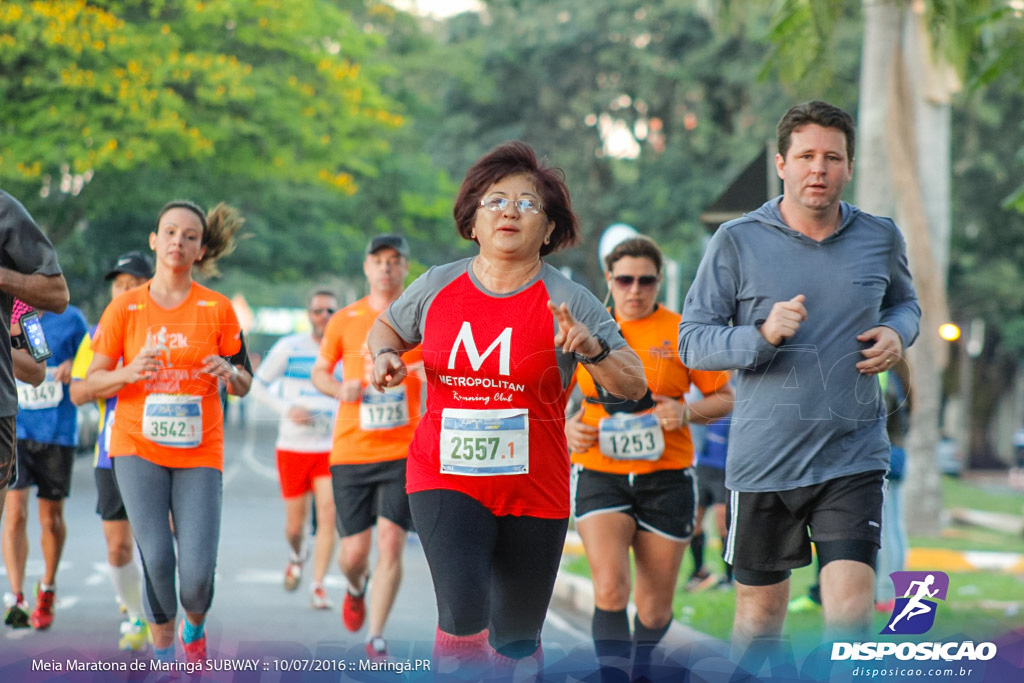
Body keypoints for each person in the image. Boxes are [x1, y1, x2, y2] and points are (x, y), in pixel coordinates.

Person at [367, 141, 646, 678]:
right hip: (444, 476)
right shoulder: (436, 285)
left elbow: (633, 384)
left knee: (516, 641)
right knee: (462, 619)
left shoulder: (572, 299)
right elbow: (388, 328)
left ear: (549, 230)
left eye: (527, 203)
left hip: (534, 488)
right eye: (495, 201)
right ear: (473, 221)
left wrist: (591, 349)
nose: (510, 211)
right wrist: (383, 355)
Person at [678, 101, 921, 665]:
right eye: (807, 156)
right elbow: (693, 339)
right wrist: (760, 335)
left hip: (853, 454)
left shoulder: (880, 238)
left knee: (851, 613)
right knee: (761, 619)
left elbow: (907, 304)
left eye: (832, 157)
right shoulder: (737, 241)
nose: (819, 169)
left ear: (849, 167)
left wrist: (895, 333)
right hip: (764, 461)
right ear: (782, 163)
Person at [85, 200, 251, 665]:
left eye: (190, 236)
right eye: (170, 232)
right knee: (157, 558)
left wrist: (230, 375)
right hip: (137, 446)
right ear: (155, 241)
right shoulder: (125, 307)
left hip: (200, 450)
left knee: (196, 575)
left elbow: (244, 382)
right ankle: (164, 655)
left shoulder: (218, 309)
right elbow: (89, 382)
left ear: (200, 250)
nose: (179, 241)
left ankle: (192, 628)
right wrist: (129, 372)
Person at [564, 235, 733, 681]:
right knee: (611, 589)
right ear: (609, 279)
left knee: (655, 612)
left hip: (667, 477)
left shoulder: (681, 331)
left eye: (646, 280)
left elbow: (726, 397)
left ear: (658, 282)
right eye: (625, 279)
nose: (635, 289)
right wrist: (566, 428)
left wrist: (686, 411)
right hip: (601, 471)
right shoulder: (586, 329)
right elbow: (548, 396)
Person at [310, 235, 422, 660]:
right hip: (352, 452)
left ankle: (377, 633)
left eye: (394, 262)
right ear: (366, 268)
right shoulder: (345, 319)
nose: (386, 269)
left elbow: (437, 370)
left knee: (392, 541)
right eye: (378, 261)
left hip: (402, 450)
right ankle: (356, 588)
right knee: (353, 554)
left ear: (405, 268)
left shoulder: (419, 321)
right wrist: (341, 390)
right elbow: (320, 373)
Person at [69, 250, 154, 649]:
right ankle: (136, 614)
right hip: (111, 451)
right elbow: (79, 392)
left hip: (164, 451)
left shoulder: (168, 328)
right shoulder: (100, 333)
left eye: (132, 284)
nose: (123, 292)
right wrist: (124, 375)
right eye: (118, 285)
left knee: (158, 543)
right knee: (118, 547)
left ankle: (165, 613)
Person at [251, 288, 340, 609]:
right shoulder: (290, 347)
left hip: (331, 448)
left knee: (328, 515)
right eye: (318, 311)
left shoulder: (345, 350)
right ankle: (296, 553)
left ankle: (318, 585)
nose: (324, 317)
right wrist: (288, 409)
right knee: (295, 526)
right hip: (292, 447)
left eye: (330, 311)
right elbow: (256, 385)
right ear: (309, 315)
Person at [3, 298, 88, 630]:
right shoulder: (8, 311)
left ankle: (48, 587)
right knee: (15, 513)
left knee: (50, 520)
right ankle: (17, 597)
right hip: (15, 427)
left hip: (56, 430)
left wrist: (71, 365)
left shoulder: (68, 319)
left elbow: (89, 363)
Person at [0, 189, 69, 531]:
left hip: (32, 428)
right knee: (15, 516)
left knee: (29, 515)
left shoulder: (25, 312)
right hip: (20, 428)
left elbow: (39, 371)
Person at [687, 415, 734, 592]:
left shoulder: (735, 399)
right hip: (702, 467)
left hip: (724, 470)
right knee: (694, 522)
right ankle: (699, 572)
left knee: (723, 523)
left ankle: (729, 577)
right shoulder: (699, 401)